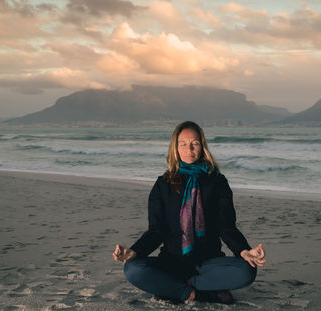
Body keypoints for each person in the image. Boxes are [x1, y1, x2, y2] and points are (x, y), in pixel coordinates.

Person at [113, 121, 266, 304]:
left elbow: (226, 227)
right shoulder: (163, 184)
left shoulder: (217, 182)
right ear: (175, 148)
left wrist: (244, 251)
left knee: (247, 271)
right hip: (171, 263)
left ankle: (175, 288)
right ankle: (195, 294)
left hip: (208, 263)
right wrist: (134, 251)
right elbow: (156, 231)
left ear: (202, 146)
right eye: (183, 144)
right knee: (133, 269)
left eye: (195, 143)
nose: (189, 149)